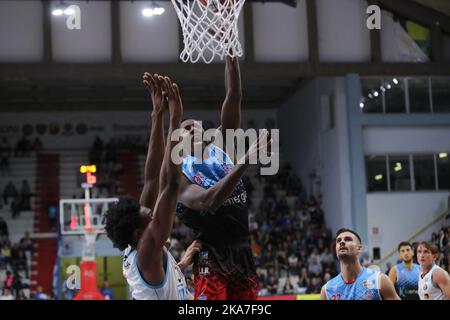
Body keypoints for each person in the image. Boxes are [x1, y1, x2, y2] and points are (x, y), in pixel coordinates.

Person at [176, 56, 270, 300]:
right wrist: (246, 160)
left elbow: (234, 95)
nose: (192, 128)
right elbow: (209, 201)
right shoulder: (179, 175)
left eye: (195, 125)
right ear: (178, 141)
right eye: (185, 128)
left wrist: (231, 53)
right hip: (210, 252)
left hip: (242, 249)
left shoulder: (222, 145)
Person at [103, 74, 199, 300]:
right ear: (140, 233)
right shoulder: (146, 250)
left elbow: (152, 178)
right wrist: (175, 120)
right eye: (147, 214)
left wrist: (157, 115)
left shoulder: (138, 245)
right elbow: (171, 185)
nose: (150, 210)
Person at [320, 228, 400, 300]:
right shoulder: (327, 290)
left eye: (348, 239)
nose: (342, 242)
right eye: (339, 241)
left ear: (359, 248)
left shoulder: (380, 280)